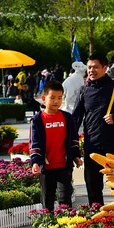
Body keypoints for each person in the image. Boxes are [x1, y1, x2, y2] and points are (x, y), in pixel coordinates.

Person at [72, 52, 114, 206]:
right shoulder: (83, 91)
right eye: (89, 67)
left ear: (105, 68)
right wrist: (72, 147)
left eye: (95, 67)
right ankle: (98, 221)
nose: (91, 70)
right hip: (91, 147)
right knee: (93, 190)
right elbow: (75, 120)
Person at [30, 79, 82, 211]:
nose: (56, 101)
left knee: (65, 200)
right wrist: (35, 162)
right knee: (47, 200)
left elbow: (73, 140)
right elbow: (34, 144)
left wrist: (76, 156)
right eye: (52, 97)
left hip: (64, 167)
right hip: (46, 168)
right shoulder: (37, 120)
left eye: (59, 98)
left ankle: (65, 227)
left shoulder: (67, 117)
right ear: (43, 98)